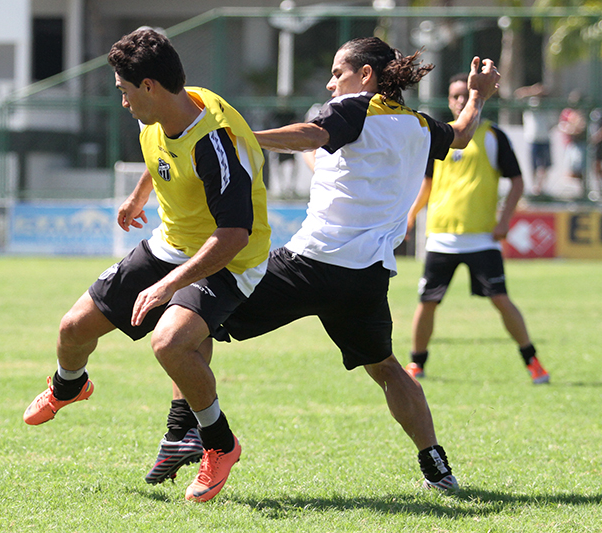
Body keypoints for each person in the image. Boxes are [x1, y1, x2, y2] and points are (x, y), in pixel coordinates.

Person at [145, 37, 502, 494]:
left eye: (339, 72)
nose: (332, 83)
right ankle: (437, 466)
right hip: (366, 278)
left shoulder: (355, 108)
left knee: (186, 323)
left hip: (307, 266)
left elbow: (311, 135)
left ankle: (188, 430)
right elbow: (463, 132)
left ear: (366, 76)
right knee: (388, 369)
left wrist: (240, 137)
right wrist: (477, 95)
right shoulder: (419, 125)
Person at [21, 28, 271, 503]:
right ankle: (68, 386)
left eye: (123, 91)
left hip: (232, 260)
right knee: (73, 328)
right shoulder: (158, 110)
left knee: (170, 342)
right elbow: (157, 151)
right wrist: (138, 196)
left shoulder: (212, 142)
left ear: (150, 86)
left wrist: (167, 286)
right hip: (171, 243)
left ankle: (220, 445)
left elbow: (235, 232)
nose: (122, 101)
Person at [405, 73, 549, 385]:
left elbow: (518, 182)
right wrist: (411, 215)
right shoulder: (440, 136)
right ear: (448, 100)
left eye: (465, 95)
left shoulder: (494, 136)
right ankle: (416, 364)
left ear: (479, 97)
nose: (460, 101)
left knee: (501, 300)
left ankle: (532, 361)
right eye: (455, 96)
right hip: (441, 237)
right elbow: (428, 183)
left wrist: (504, 220)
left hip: (481, 238)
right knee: (427, 302)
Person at [558, 90, 588, 198]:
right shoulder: (568, 112)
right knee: (571, 170)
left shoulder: (582, 113)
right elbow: (563, 126)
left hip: (580, 143)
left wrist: (572, 128)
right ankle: (576, 193)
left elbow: (580, 128)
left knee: (579, 169)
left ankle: (582, 192)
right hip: (570, 144)